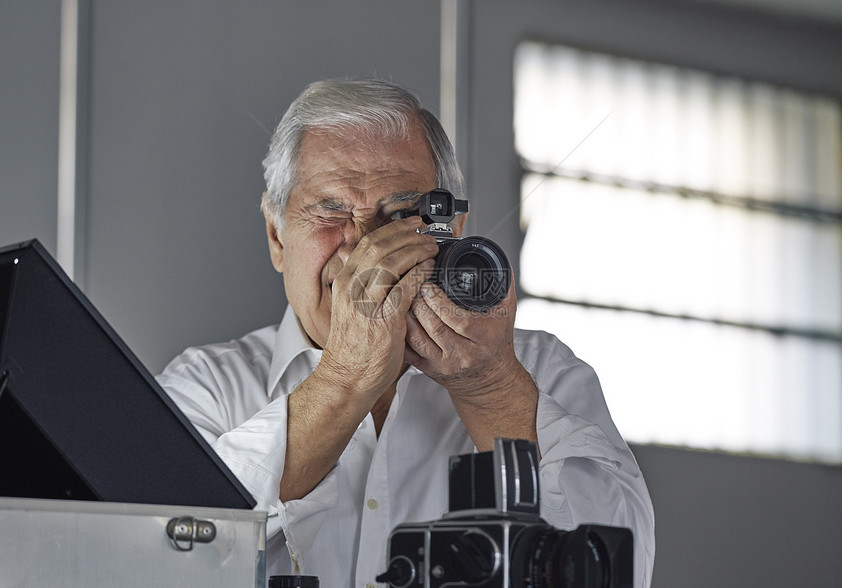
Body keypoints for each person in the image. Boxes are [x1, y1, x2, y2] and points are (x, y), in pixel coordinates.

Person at [157, 78, 655, 587]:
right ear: (276, 236)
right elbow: (155, 555)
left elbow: (617, 564)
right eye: (329, 210)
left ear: (452, 232)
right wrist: (344, 379)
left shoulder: (540, 369)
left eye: (400, 215)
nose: (365, 249)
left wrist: (492, 387)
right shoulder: (207, 387)